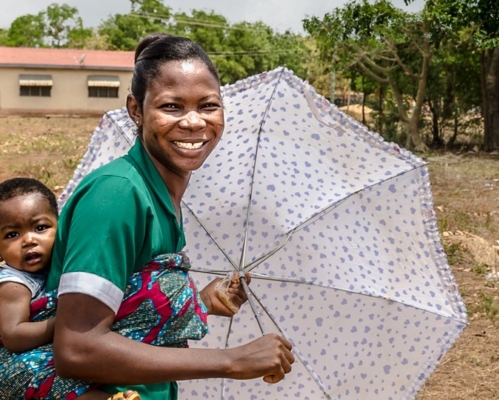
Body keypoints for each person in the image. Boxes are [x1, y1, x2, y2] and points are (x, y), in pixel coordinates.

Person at [42, 32, 294, 400]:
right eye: (172, 107)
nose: (194, 123)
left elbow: (127, 311)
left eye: (208, 106)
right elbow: (77, 348)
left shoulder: (159, 195)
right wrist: (229, 361)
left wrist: (201, 303)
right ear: (135, 110)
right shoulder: (117, 195)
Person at [0, 177, 140, 400]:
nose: (28, 240)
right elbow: (14, 336)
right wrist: (69, 320)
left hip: (48, 350)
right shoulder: (12, 283)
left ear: (61, 227)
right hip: (12, 366)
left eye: (40, 227)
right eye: (12, 235)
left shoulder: (66, 262)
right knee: (52, 380)